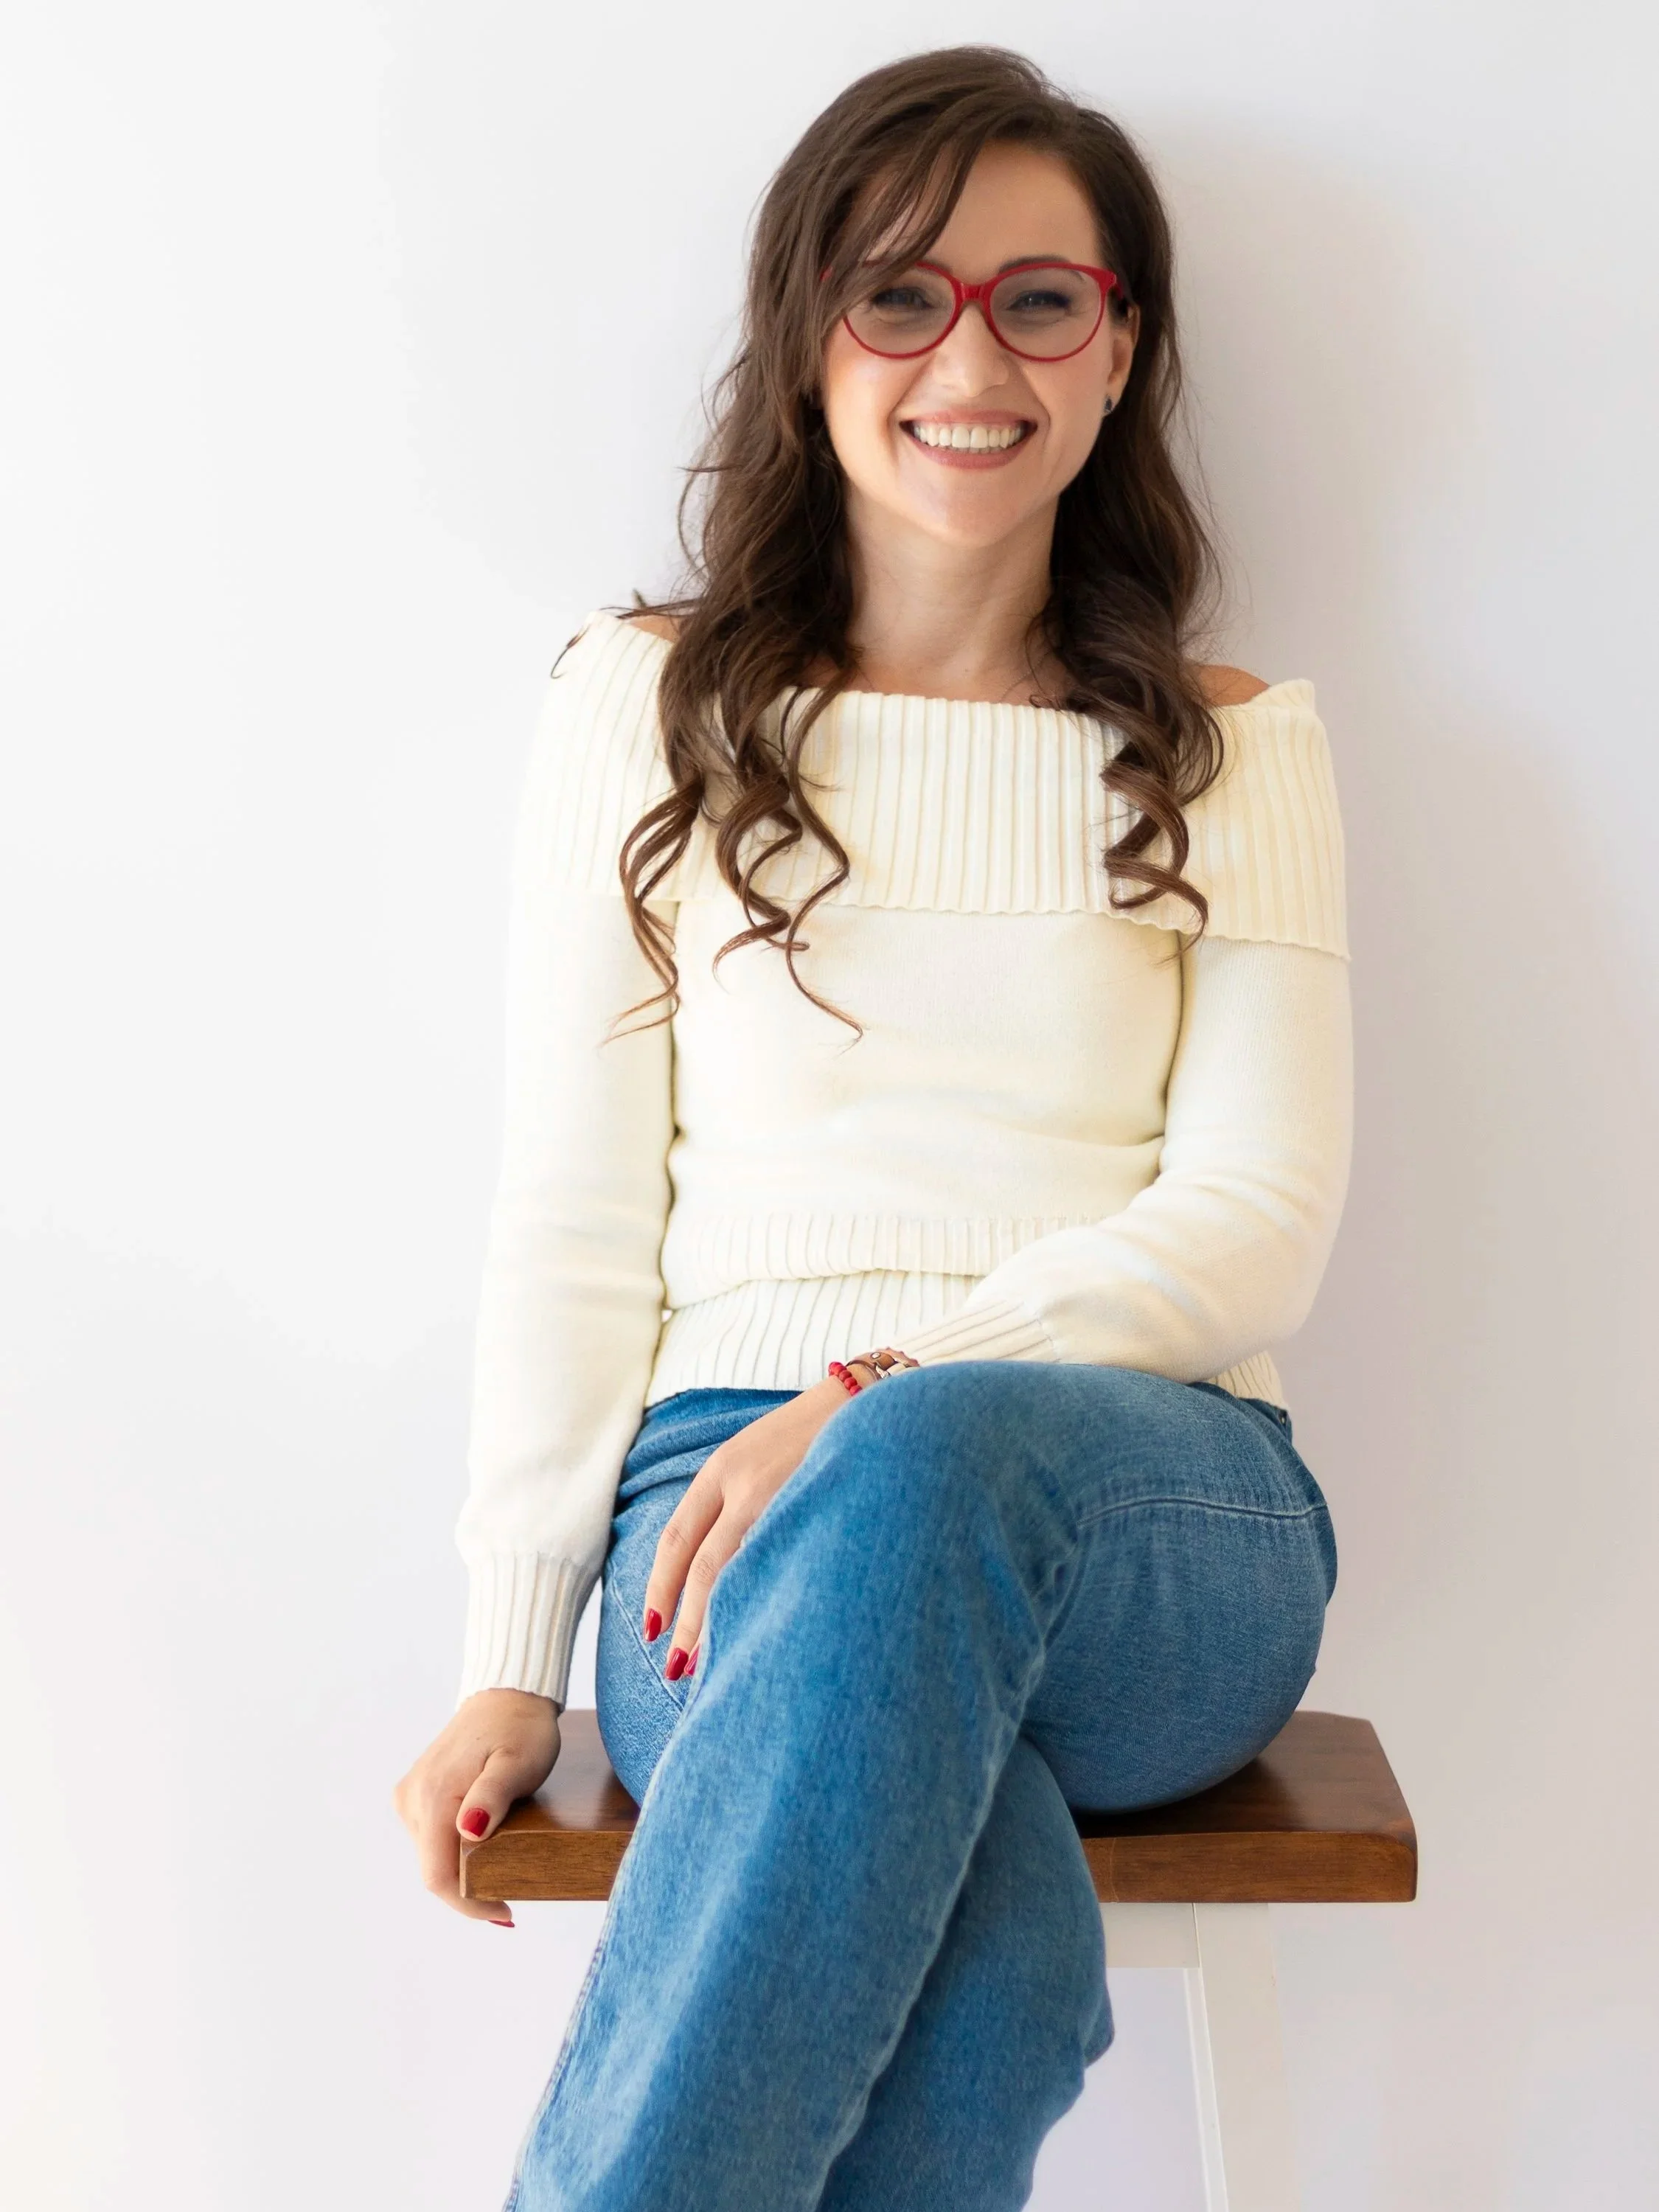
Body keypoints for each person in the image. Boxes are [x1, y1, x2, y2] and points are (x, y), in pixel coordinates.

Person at [393, 43, 1351, 2212]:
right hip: (705, 1526)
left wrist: (882, 1390)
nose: (968, 358)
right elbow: (572, 1208)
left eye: (1042, 298)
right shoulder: (642, 707)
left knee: (925, 1463)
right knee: (989, 1942)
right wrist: (508, 1660)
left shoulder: (1237, 750)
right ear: (807, 333)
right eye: (899, 295)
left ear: (1122, 352)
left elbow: (1259, 1216)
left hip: (1151, 1515)